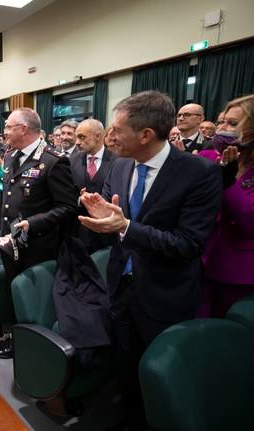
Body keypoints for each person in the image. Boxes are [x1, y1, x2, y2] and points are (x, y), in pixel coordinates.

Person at [79, 91, 222, 430]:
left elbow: (188, 244)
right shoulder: (121, 166)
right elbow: (117, 227)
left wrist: (126, 226)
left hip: (165, 294)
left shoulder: (199, 173)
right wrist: (104, 220)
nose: (110, 137)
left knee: (161, 376)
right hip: (121, 288)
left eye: (117, 131)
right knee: (125, 369)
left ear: (145, 135)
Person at [0, 108, 78, 358]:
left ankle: (32, 346)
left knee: (32, 299)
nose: (5, 132)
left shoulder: (53, 160)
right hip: (11, 243)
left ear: (23, 129)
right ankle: (15, 337)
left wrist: (33, 222)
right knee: (12, 291)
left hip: (38, 246)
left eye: (8, 127)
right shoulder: (9, 156)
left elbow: (68, 207)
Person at [199, 94, 254, 317]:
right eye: (221, 121)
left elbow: (249, 221)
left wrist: (227, 179)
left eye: (233, 124)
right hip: (201, 262)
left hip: (238, 271)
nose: (223, 128)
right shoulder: (207, 156)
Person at [70, 119, 117, 252]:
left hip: (107, 235)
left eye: (82, 137)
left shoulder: (118, 161)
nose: (77, 142)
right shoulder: (71, 161)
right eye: (77, 137)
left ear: (97, 136)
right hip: (77, 233)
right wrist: (80, 200)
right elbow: (65, 193)